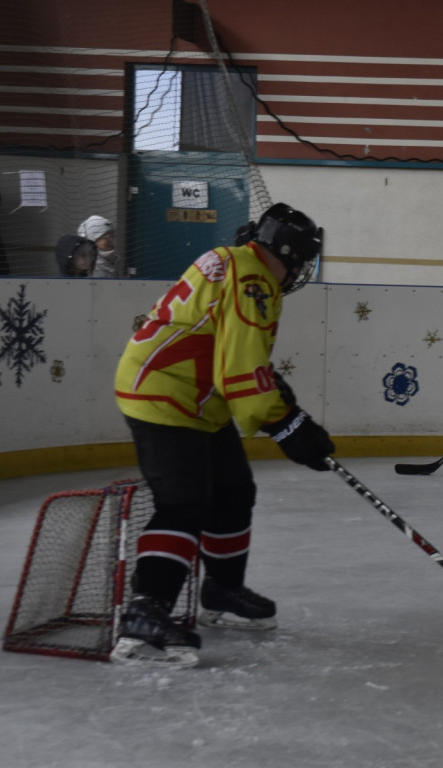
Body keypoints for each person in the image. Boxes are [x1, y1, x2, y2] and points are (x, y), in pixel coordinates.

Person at [111, 202, 335, 667]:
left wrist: (281, 401)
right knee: (184, 503)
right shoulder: (254, 280)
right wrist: (289, 426)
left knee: (234, 489)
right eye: (302, 259)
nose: (301, 270)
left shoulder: (239, 263)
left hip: (195, 399)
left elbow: (236, 351)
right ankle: (144, 612)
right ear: (288, 252)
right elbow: (241, 374)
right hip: (164, 396)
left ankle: (222, 591)